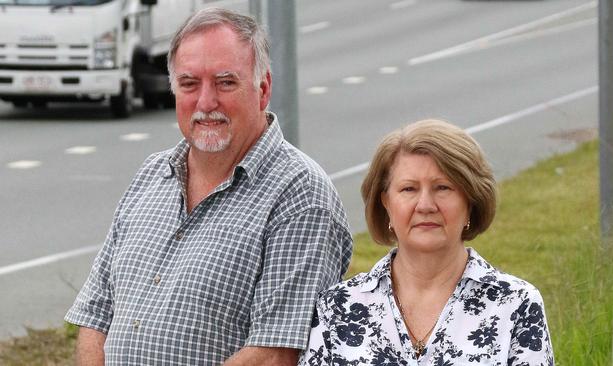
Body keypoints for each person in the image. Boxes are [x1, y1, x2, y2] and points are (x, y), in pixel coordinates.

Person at [65, 7, 353, 365]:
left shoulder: (301, 196)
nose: (205, 102)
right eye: (189, 84)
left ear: (262, 89)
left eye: (225, 82)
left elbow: (275, 354)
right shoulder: (152, 175)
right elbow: (96, 315)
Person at [299, 119, 554, 365]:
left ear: (471, 201)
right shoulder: (337, 308)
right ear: (385, 202)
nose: (425, 205)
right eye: (409, 189)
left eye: (443, 187)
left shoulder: (515, 304)